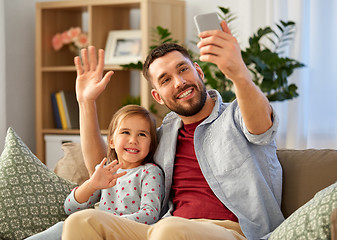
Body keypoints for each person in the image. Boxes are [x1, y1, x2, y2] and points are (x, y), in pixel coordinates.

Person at [62, 20, 284, 240]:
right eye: (165, 80)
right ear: (158, 96)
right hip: (162, 230)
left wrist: (238, 73)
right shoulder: (163, 136)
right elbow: (106, 170)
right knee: (82, 222)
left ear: (198, 71)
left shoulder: (237, 116)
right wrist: (86, 103)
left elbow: (261, 127)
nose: (179, 82)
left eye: (183, 69)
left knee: (169, 229)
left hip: (233, 232)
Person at [27, 105, 164, 240]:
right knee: (63, 227)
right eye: (125, 132)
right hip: (98, 231)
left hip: (127, 233)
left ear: (151, 144)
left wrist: (105, 222)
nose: (133, 140)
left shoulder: (150, 172)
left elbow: (150, 214)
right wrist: (92, 184)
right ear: (111, 141)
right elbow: (70, 207)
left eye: (142, 134)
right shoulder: (105, 171)